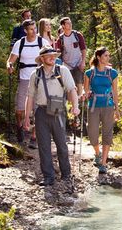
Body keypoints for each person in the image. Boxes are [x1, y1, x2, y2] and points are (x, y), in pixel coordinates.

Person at [24, 46, 80, 189]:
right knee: (43, 146)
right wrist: (27, 117)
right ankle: (48, 177)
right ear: (41, 59)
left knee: (61, 144)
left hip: (58, 111)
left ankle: (66, 175)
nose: (52, 57)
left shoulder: (62, 71)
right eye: (48, 55)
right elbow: (29, 97)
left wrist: (75, 106)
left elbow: (72, 90)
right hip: (41, 112)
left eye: (54, 55)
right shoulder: (35, 75)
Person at [82, 47, 120, 174]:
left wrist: (117, 109)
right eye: (106, 56)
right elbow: (86, 90)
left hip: (108, 106)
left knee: (107, 133)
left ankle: (103, 163)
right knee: (92, 134)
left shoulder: (112, 73)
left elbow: (115, 92)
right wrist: (85, 94)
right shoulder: (89, 73)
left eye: (109, 55)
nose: (108, 58)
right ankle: (97, 153)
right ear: (98, 57)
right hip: (93, 105)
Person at [7, 19, 43, 147]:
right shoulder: (20, 43)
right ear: (25, 30)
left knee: (38, 109)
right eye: (31, 29)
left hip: (39, 79)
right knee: (19, 109)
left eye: (35, 29)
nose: (34, 31)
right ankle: (19, 127)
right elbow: (10, 60)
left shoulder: (41, 42)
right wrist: (9, 66)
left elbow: (51, 56)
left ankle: (34, 137)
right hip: (24, 78)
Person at [55, 17, 86, 95]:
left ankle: (79, 103)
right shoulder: (61, 39)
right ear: (63, 26)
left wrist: (83, 62)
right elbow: (59, 53)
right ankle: (72, 104)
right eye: (68, 23)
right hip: (67, 65)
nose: (70, 24)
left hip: (78, 63)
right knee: (69, 85)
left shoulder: (77, 35)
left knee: (79, 83)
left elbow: (83, 49)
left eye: (70, 23)